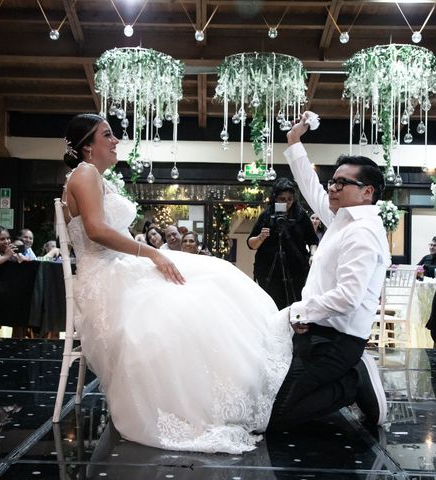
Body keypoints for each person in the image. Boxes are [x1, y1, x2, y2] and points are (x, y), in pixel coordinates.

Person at [61, 113, 291, 454]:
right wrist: (152, 255)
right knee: (187, 304)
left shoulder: (94, 176)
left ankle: (239, 384)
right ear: (87, 147)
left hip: (122, 266)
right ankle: (209, 397)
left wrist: (149, 256)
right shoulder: (84, 174)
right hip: (107, 276)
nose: (115, 141)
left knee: (213, 275)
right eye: (107, 135)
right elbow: (95, 230)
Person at [267, 111, 391, 432]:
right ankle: (344, 377)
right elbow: (309, 186)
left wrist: (298, 311)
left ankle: (353, 380)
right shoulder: (343, 218)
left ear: (368, 192)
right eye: (332, 181)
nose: (332, 188)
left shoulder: (362, 230)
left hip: (339, 341)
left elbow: (349, 298)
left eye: (342, 182)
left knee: (280, 414)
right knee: (271, 400)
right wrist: (294, 141)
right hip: (317, 332)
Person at [247, 178, 319, 309]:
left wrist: (313, 255)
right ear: (275, 198)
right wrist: (261, 237)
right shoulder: (267, 216)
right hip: (268, 270)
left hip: (296, 270)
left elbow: (313, 240)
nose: (286, 203)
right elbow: (251, 244)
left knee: (295, 305)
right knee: (271, 306)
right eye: (282, 199)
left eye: (290, 199)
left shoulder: (300, 215)